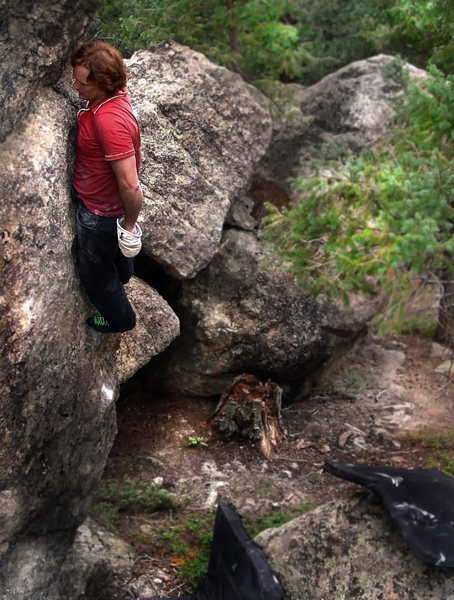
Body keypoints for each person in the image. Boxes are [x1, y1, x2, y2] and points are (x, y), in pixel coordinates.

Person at [71, 40, 143, 334]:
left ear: (103, 83)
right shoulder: (115, 96)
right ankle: (124, 276)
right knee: (119, 259)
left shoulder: (108, 121)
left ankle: (119, 320)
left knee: (95, 276)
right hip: (109, 208)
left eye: (82, 82)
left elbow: (129, 183)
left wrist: (129, 225)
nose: (75, 87)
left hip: (99, 215)